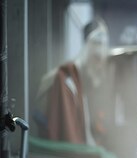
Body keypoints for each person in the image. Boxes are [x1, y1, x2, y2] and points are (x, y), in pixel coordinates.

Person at [35, 18, 110, 146]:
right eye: (96, 43)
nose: (100, 51)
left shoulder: (88, 82)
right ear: (87, 45)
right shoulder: (66, 79)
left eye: (103, 45)